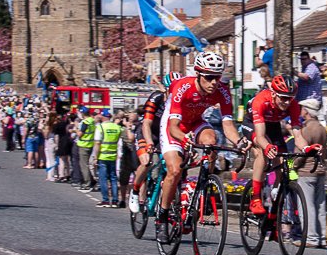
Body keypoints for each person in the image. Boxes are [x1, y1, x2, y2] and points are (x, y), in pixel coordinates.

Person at [154, 52, 247, 244]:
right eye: (209, 77)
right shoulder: (183, 86)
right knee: (175, 169)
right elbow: (173, 126)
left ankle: (204, 188)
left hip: (195, 121)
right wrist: (184, 138)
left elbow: (228, 125)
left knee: (211, 140)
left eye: (217, 77)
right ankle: (162, 216)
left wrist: (240, 142)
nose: (214, 82)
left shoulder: (222, 91)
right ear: (198, 74)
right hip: (174, 124)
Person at [240, 75, 313, 216]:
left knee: (283, 161)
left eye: (290, 98)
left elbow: (297, 135)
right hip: (253, 125)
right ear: (273, 94)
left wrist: (307, 148)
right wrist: (267, 147)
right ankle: (255, 198)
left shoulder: (293, 105)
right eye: (283, 97)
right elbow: (261, 136)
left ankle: (274, 209)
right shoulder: (261, 101)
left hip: (273, 125)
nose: (286, 102)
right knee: (263, 152)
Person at [129, 73, 179, 214]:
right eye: (171, 90)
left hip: (165, 134)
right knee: (146, 162)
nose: (174, 94)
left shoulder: (180, 101)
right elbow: (146, 124)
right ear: (165, 89)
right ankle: (135, 191)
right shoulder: (156, 98)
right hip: (148, 132)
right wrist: (150, 143)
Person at [295, 97, 327, 247]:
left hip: (306, 171)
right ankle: (322, 237)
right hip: (320, 170)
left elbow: (300, 154)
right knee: (320, 205)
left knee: (307, 206)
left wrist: (292, 166)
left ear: (306, 111)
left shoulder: (305, 130)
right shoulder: (322, 128)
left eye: (302, 108)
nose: (301, 111)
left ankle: (311, 238)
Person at [92, 110, 121, 207]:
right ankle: (115, 200)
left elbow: (97, 143)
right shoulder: (117, 127)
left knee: (103, 179)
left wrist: (95, 157)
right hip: (113, 156)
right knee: (113, 178)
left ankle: (105, 200)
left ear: (103, 117)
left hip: (103, 156)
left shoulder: (100, 127)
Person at [75, 106, 97, 190]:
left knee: (84, 165)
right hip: (90, 144)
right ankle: (92, 180)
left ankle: (87, 183)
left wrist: (76, 128)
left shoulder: (85, 122)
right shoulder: (92, 121)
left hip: (83, 145)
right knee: (87, 164)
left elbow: (80, 134)